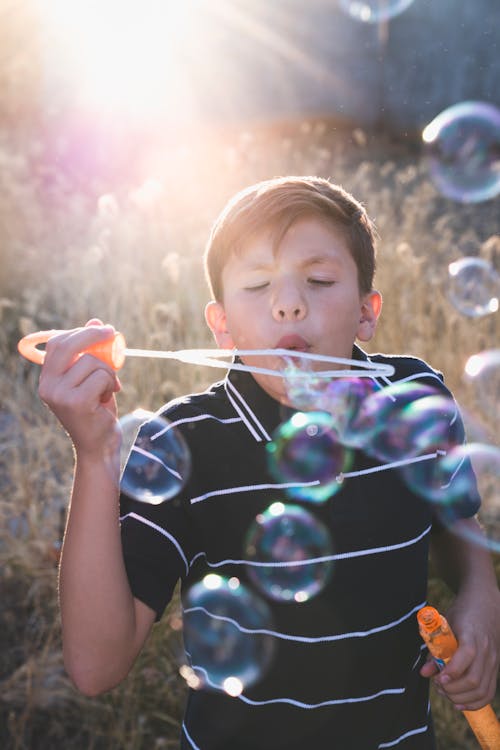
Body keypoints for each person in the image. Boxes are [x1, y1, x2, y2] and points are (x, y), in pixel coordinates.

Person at [38, 176, 500, 749]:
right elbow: (96, 665)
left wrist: (480, 607)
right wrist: (94, 453)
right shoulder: (186, 443)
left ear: (365, 312)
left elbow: (460, 532)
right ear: (222, 324)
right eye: (257, 284)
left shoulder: (416, 397)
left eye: (319, 280)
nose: (289, 302)